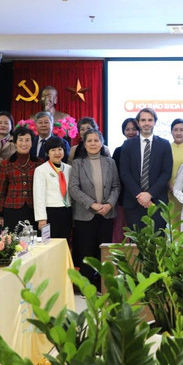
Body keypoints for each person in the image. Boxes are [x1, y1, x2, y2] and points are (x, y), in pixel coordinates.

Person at [69, 129, 121, 288]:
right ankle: (86, 286)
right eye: (89, 141)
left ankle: (102, 285)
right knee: (86, 252)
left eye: (96, 140)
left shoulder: (110, 162)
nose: (93, 143)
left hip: (106, 214)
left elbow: (116, 186)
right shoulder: (77, 163)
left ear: (102, 143)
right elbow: (73, 188)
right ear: (84, 144)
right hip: (85, 214)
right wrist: (93, 204)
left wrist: (109, 204)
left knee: (103, 252)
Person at [119, 108, 173, 230]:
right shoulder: (128, 145)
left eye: (150, 120)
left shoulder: (164, 144)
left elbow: (166, 173)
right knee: (136, 243)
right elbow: (125, 173)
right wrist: (140, 195)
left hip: (157, 201)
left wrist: (149, 194)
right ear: (138, 123)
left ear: (155, 122)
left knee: (157, 243)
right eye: (143, 120)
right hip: (134, 202)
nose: (146, 123)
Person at [0, 126, 42, 232]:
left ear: (32, 142)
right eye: (20, 140)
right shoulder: (6, 163)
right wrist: (0, 214)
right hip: (12, 209)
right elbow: (1, 190)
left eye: (27, 140)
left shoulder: (39, 163)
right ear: (15, 143)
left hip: (33, 209)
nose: (24, 144)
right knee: (14, 243)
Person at [33, 137, 73, 240]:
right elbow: (38, 196)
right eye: (53, 150)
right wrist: (41, 218)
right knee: (51, 245)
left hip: (67, 211)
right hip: (50, 212)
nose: (57, 153)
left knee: (65, 243)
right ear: (47, 152)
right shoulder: (41, 170)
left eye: (60, 149)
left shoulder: (69, 168)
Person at [111, 117, 140, 242]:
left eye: (134, 129)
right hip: (124, 198)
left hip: (143, 197)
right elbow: (116, 176)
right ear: (123, 132)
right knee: (123, 232)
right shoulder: (118, 151)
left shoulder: (146, 149)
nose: (131, 132)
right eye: (127, 129)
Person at [168, 118, 183, 218]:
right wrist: (168, 185)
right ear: (171, 132)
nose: (178, 133)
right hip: (168, 192)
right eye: (175, 130)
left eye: (182, 130)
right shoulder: (165, 148)